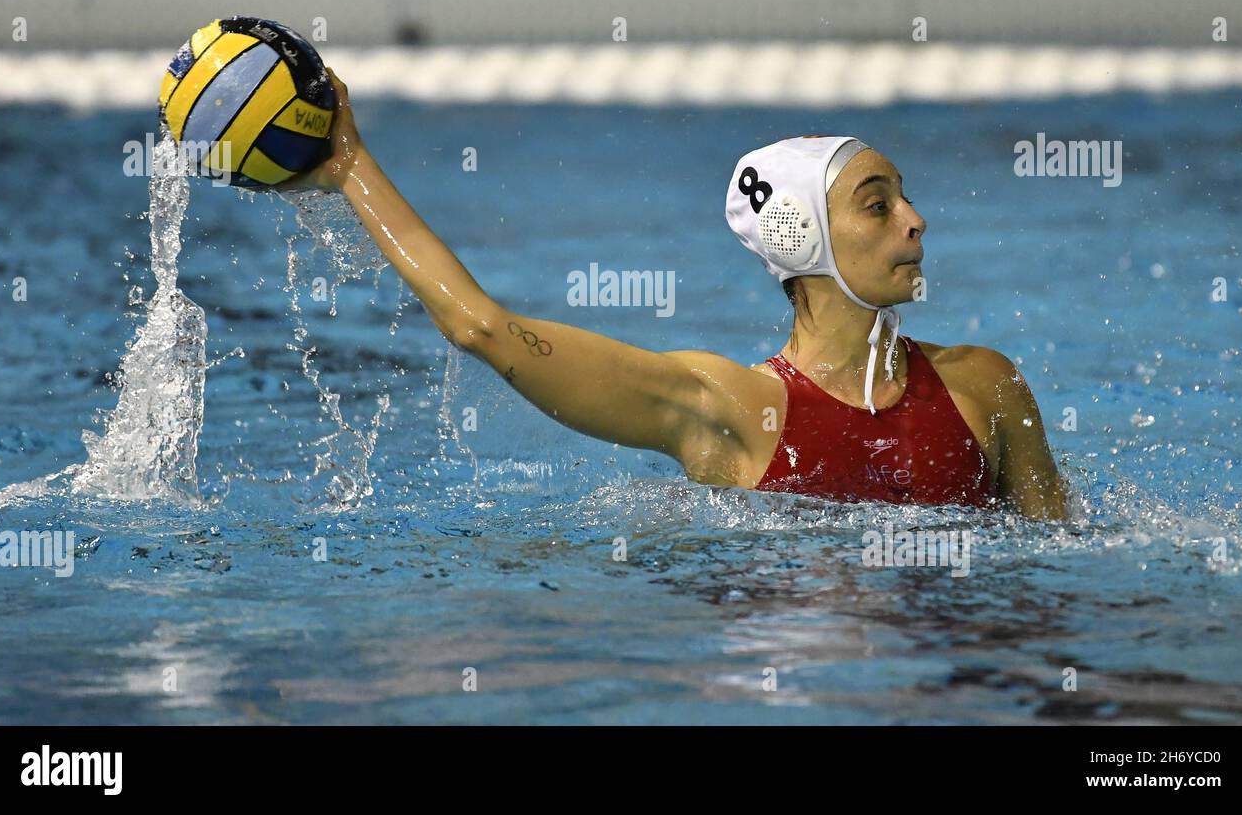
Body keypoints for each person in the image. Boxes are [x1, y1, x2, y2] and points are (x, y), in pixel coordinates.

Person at [283, 70, 1070, 521]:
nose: (916, 222)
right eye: (878, 204)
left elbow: (1058, 570)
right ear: (799, 237)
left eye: (905, 198)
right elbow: (483, 327)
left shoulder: (984, 385)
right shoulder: (723, 408)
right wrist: (349, 165)